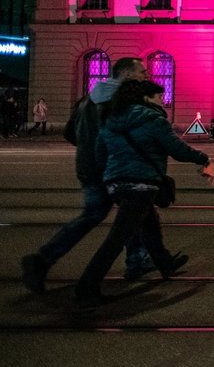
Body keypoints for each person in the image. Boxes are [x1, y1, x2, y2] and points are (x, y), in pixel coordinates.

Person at [20, 58, 155, 293]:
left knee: (98, 215)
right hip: (113, 169)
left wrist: (88, 149)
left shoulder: (87, 98)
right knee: (133, 212)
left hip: (88, 168)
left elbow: (70, 133)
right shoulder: (121, 101)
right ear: (128, 75)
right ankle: (136, 261)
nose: (147, 75)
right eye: (142, 71)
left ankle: (43, 260)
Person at [75, 79, 214, 306]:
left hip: (116, 184)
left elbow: (100, 152)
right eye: (159, 97)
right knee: (117, 238)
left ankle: (165, 263)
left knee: (149, 223)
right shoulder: (152, 119)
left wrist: (112, 174)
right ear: (146, 98)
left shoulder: (111, 119)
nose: (162, 100)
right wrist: (203, 158)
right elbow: (176, 149)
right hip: (141, 185)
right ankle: (86, 287)